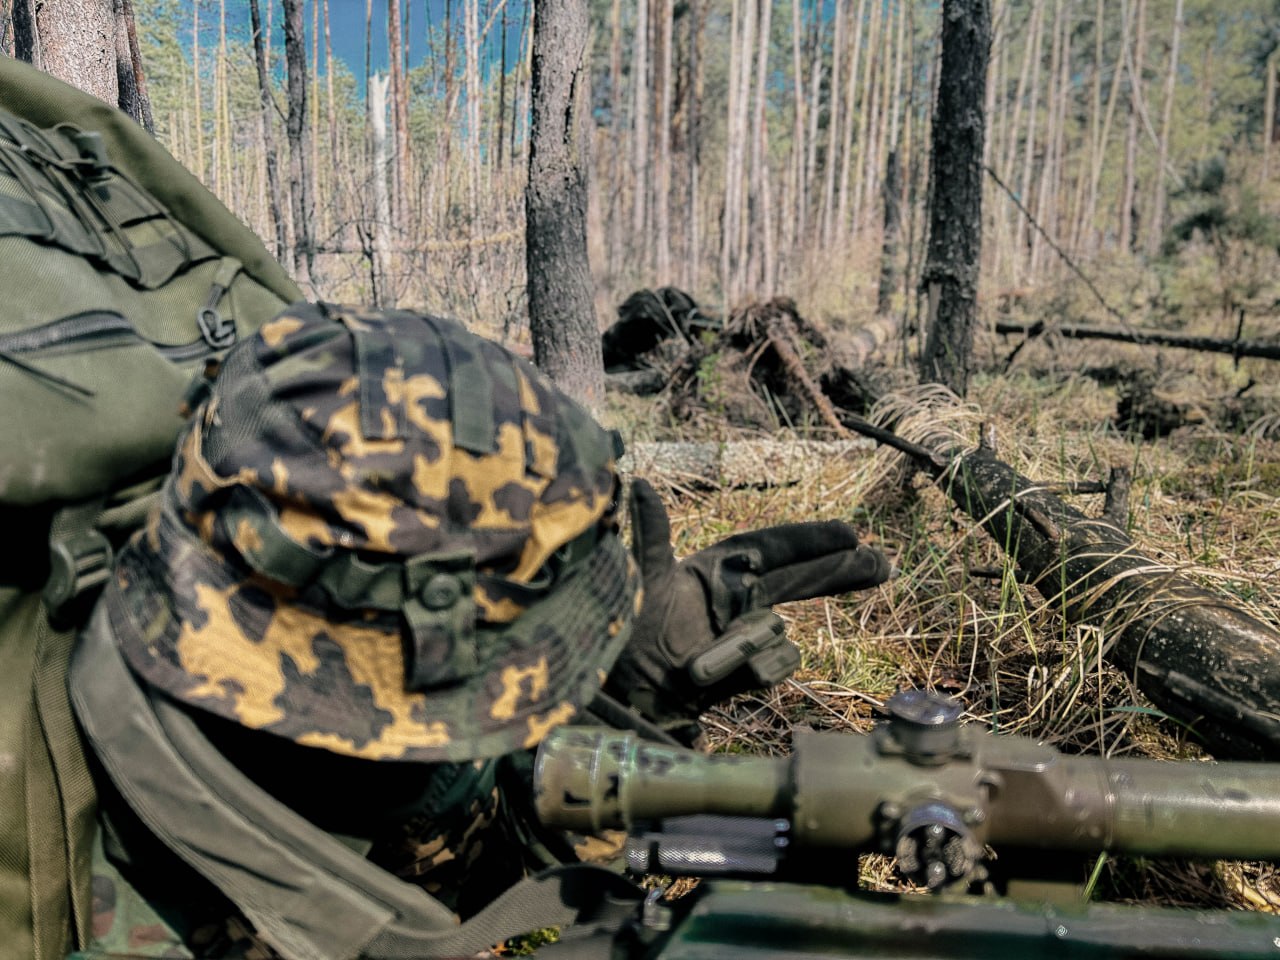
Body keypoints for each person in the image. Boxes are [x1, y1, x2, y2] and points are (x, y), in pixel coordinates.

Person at [67, 302, 891, 959]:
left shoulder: (367, 751)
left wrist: (630, 703)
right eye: (504, 668)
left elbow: (491, 855)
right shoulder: (99, 899)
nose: (521, 695)